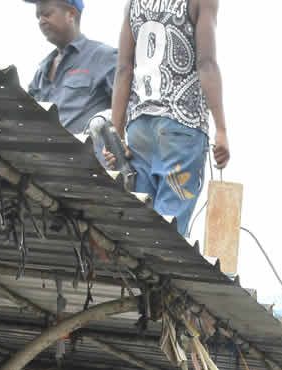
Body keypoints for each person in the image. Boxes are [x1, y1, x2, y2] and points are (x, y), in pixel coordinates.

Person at [109, 0, 229, 236]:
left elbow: (123, 69)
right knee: (168, 231)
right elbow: (206, 63)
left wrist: (116, 135)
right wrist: (222, 129)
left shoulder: (134, 3)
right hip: (181, 128)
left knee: (139, 224)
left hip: (139, 128)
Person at [23, 0, 118, 136]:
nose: (41, 21)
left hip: (88, 155)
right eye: (38, 17)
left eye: (47, 14)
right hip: (45, 155)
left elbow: (129, 107)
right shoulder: (41, 73)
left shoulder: (104, 57)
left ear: (71, 14)